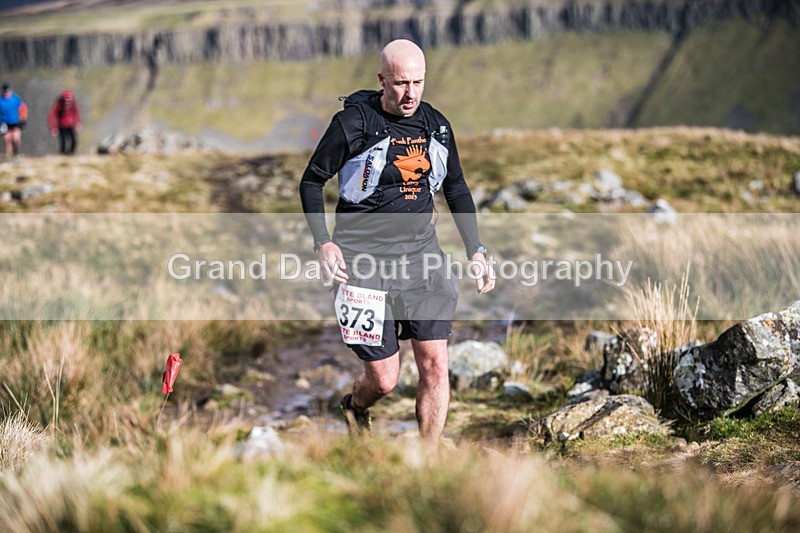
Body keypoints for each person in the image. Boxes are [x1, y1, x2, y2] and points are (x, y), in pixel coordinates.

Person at [299, 39, 494, 447]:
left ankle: (428, 461)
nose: (410, 93)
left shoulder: (436, 126)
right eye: (402, 83)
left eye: (418, 82)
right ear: (382, 80)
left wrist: (476, 249)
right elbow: (312, 180)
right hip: (362, 265)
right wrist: (324, 243)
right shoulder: (352, 124)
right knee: (384, 380)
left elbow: (456, 187)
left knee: (435, 365)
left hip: (422, 261)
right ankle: (355, 408)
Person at [48, 89, 82, 155]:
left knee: (74, 141)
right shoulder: (59, 104)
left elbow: (77, 113)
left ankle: (71, 155)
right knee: (63, 142)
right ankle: (62, 155)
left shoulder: (74, 103)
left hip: (71, 125)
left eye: (69, 99)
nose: (67, 101)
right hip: (61, 126)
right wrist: (53, 127)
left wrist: (78, 123)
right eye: (66, 99)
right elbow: (52, 115)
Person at [0, 82, 27, 161]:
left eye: (7, 91)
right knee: (7, 140)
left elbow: (23, 109)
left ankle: (16, 154)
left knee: (16, 139)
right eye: (4, 91)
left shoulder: (16, 99)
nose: (5, 93)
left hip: (16, 122)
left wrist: (23, 119)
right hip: (4, 123)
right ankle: (8, 157)